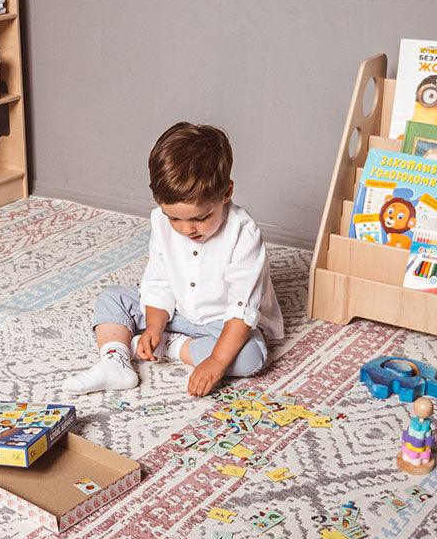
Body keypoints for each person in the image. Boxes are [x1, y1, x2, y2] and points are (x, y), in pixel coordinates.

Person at [63, 122, 283, 397]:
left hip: (222, 321)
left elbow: (241, 309)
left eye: (200, 218)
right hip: (178, 311)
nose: (185, 229)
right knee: (112, 298)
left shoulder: (243, 232)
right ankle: (114, 360)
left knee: (251, 356)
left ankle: (171, 345)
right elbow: (159, 279)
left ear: (226, 193)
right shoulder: (160, 220)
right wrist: (154, 325)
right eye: (174, 218)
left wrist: (215, 362)